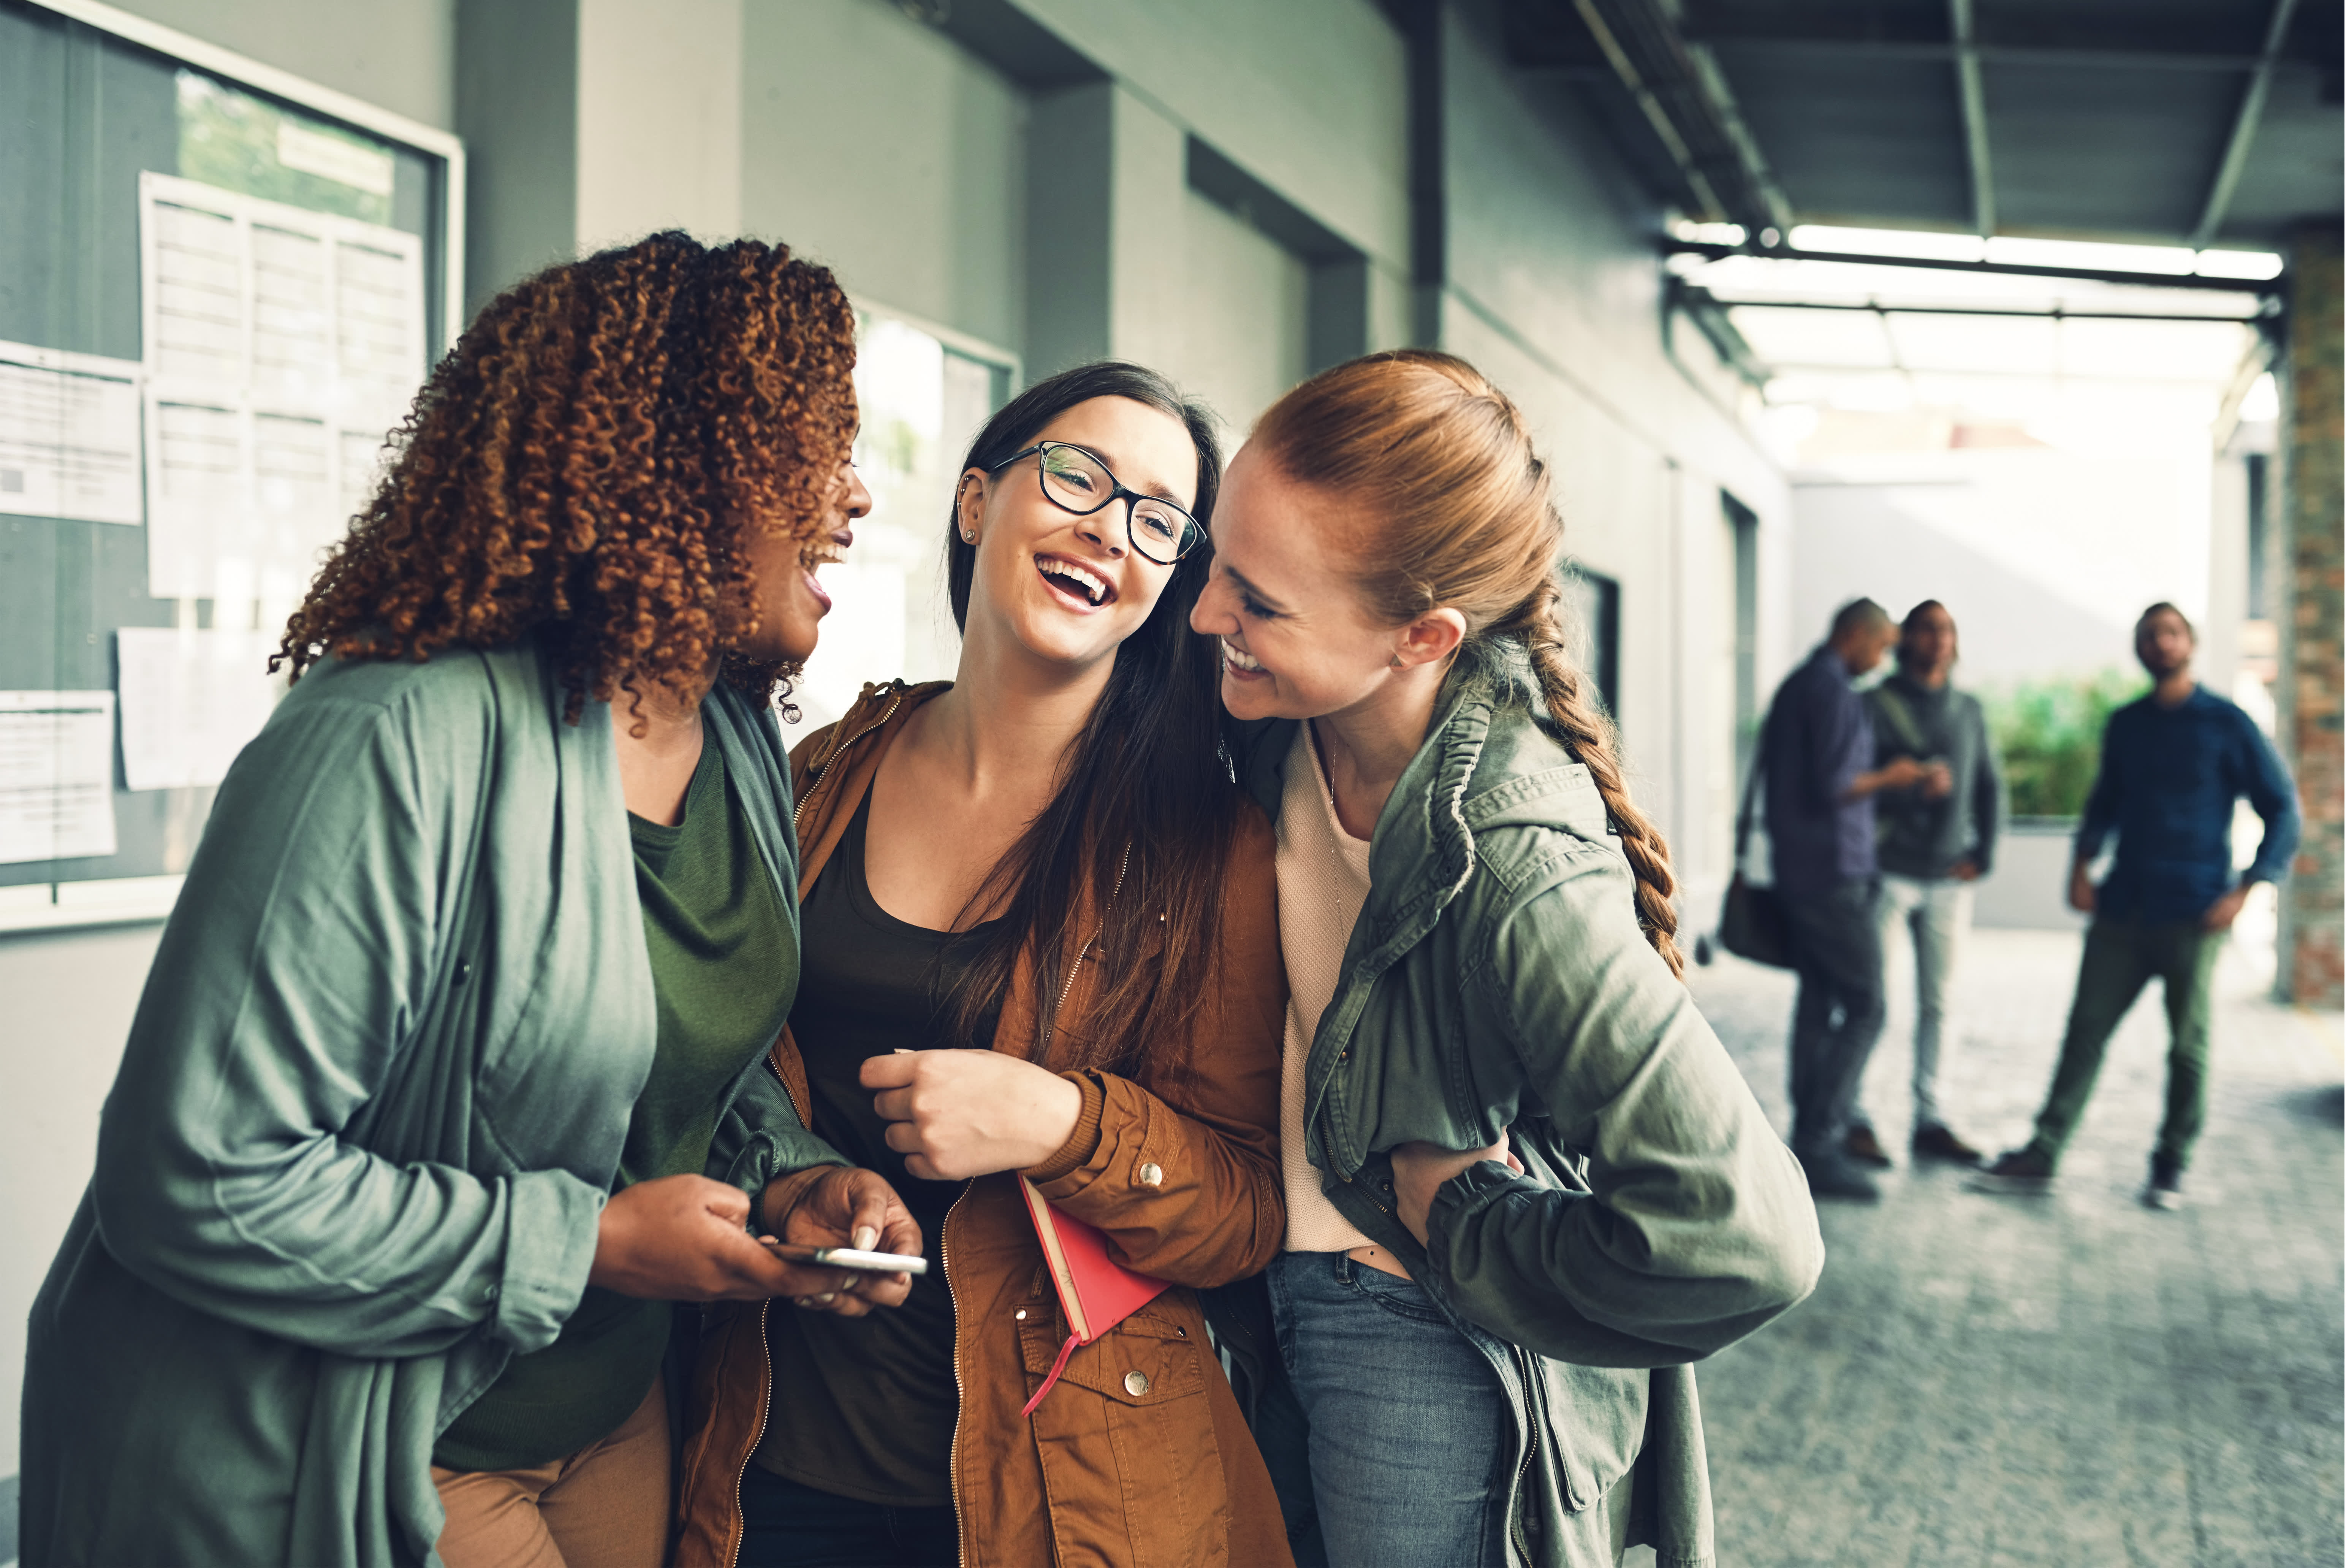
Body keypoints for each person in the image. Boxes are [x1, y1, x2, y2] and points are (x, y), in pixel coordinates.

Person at [20, 234, 923, 1568]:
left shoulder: (731, 735)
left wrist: (793, 1178)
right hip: (374, 1428)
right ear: (675, 456)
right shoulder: (391, 734)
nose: (851, 497)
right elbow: (198, 1174)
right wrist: (589, 1243)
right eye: (809, 443)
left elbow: (684, 1062)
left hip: (607, 1403)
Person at [1192, 350, 1823, 1568]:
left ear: (1420, 635)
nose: (1208, 614)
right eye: (1218, 563)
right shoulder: (1285, 725)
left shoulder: (1516, 863)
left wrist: (1479, 1223)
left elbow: (1748, 1238)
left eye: (1257, 601)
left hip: (1414, 1337)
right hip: (1254, 1278)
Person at [673, 363, 1294, 1568]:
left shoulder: (1203, 847)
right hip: (767, 1453)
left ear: (1170, 579)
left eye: (1157, 520)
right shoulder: (822, 773)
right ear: (974, 502)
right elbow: (713, 1062)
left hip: (1057, 1492)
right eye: (1076, 476)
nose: (1106, 531)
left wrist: (1063, 1123)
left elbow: (1249, 1210)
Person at [1975, 603, 2299, 1209]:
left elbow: (2282, 808)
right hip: (2122, 909)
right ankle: (2041, 1154)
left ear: (2190, 645)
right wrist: (2079, 866)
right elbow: (2104, 803)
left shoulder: (2226, 723)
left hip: (2195, 912)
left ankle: (2170, 1165)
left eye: (2170, 633)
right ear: (2140, 649)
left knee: (2187, 1047)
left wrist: (2248, 888)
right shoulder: (2126, 723)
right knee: (2084, 1033)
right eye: (2149, 636)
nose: (2160, 644)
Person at [1760, 597, 1933, 1201]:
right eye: (1882, 646)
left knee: (1818, 1004)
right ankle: (1819, 1142)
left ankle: (1807, 1144)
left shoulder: (1801, 685)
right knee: (1866, 1005)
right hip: (1832, 873)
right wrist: (1897, 777)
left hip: (1801, 868)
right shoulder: (1830, 690)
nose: (1884, 658)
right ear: (1856, 636)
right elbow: (1837, 785)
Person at [1843, 599, 2002, 1168]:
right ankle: (1853, 1116)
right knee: (1870, 1000)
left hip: (1947, 878)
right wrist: (1909, 789)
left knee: (1940, 1003)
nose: (1938, 639)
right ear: (1903, 640)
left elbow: (1989, 786)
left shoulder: (1969, 710)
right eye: (1927, 629)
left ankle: (1929, 1119)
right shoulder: (1871, 705)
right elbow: (1849, 786)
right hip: (1886, 873)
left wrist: (1984, 852)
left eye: (1947, 630)